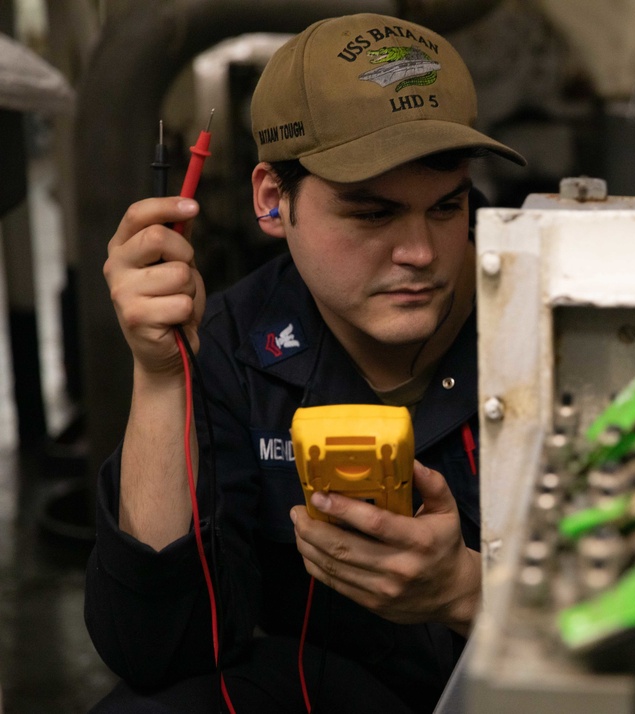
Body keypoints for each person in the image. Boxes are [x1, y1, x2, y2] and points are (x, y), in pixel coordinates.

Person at [84, 13, 525, 714]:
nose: (420, 252)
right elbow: (159, 648)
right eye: (373, 214)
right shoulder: (234, 341)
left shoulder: (546, 323)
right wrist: (161, 376)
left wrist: (470, 593)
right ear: (271, 200)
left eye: (447, 207)